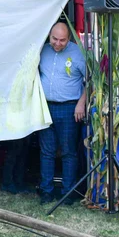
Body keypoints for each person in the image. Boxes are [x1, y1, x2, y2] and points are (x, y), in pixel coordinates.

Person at [36, 22, 87, 203]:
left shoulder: (78, 53)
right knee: (47, 151)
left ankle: (68, 192)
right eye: (54, 39)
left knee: (68, 152)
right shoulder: (42, 50)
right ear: (49, 36)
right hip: (45, 107)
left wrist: (81, 103)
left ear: (69, 39)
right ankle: (46, 191)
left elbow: (93, 80)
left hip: (69, 107)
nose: (57, 43)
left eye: (62, 40)